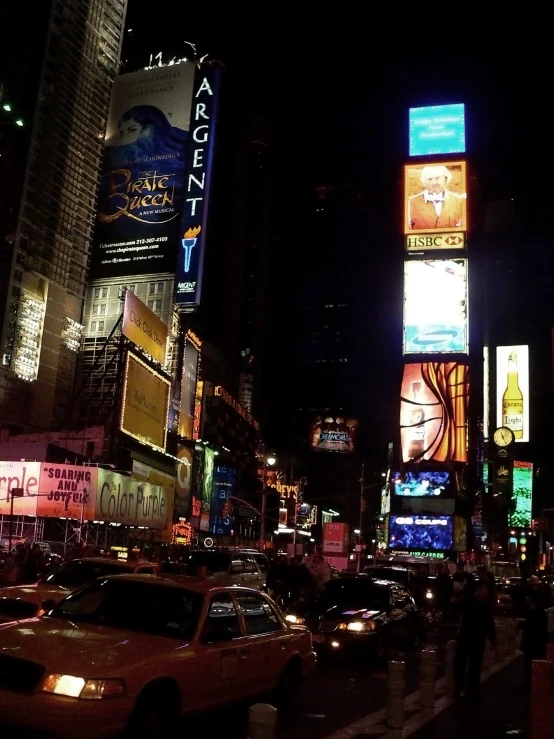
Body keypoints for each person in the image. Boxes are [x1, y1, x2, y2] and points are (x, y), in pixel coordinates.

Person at [453, 579, 497, 702]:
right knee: (460, 663)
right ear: (478, 590)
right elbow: (453, 607)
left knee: (475, 666)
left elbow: (490, 623)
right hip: (465, 637)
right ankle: (460, 687)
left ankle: (471, 690)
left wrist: (493, 640)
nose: (486, 592)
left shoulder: (485, 604)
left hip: (477, 639)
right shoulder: (467, 600)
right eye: (484, 589)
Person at [407, 164, 465, 231]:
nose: (433, 183)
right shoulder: (410, 203)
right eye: (429, 179)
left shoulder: (460, 201)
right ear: (424, 181)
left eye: (437, 178)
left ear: (445, 179)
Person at [518, 589, 548, 689]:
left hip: (534, 643)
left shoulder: (537, 612)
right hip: (534, 643)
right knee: (529, 664)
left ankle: (531, 684)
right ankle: (530, 683)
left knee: (531, 665)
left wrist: (522, 624)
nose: (527, 599)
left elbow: (532, 626)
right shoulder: (536, 611)